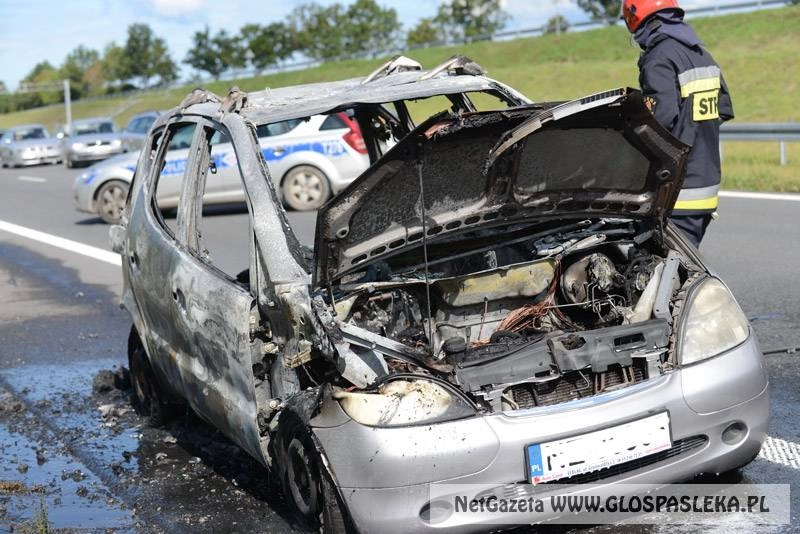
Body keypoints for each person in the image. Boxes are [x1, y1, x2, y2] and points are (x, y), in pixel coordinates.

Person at [621, 0, 733, 247]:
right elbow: (722, 109)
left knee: (654, 272)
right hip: (706, 186)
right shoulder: (702, 55)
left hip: (676, 194)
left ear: (635, 18)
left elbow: (657, 123)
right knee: (682, 268)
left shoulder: (659, 57)